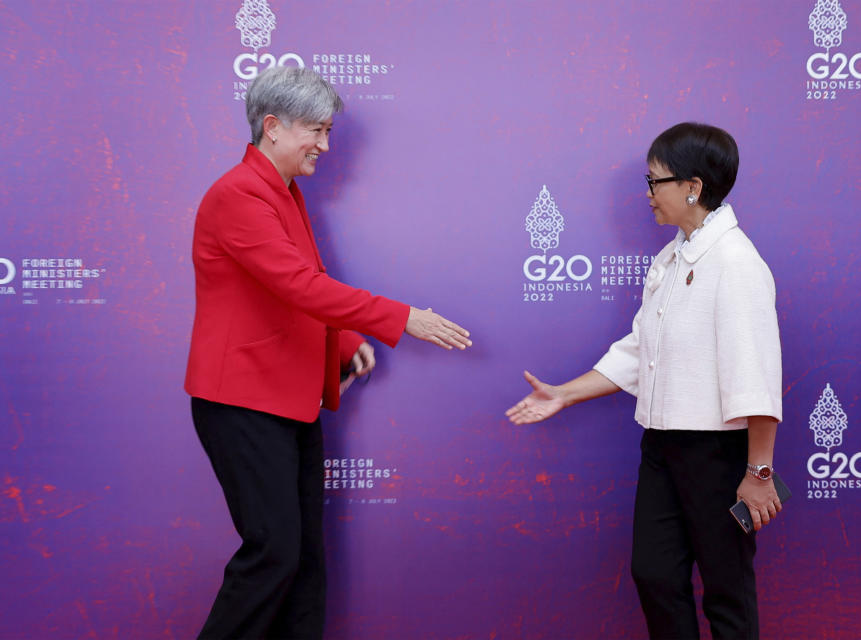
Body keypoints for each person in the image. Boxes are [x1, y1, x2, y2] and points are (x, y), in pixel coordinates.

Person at [184, 66, 471, 639]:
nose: (325, 144)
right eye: (316, 130)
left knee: (303, 562)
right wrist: (401, 317)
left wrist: (342, 340)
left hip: (288, 399)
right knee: (273, 555)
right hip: (243, 401)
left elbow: (295, 283)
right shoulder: (237, 196)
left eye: (328, 130)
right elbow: (299, 286)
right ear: (272, 127)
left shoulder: (283, 192)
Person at [506, 122, 782, 640]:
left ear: (693, 187)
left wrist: (759, 472)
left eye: (656, 182)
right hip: (661, 447)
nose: (648, 194)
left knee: (726, 589)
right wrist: (563, 394)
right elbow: (638, 352)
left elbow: (758, 379)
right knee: (654, 574)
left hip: (717, 454)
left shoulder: (736, 262)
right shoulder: (672, 257)